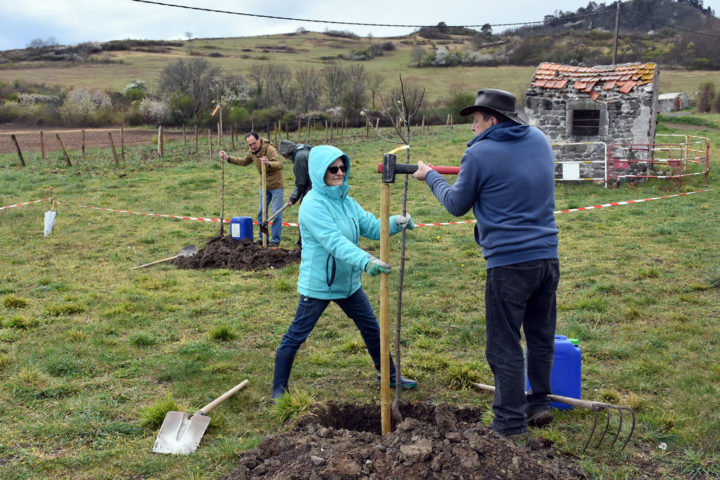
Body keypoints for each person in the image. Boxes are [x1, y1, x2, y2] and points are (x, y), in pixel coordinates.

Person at [412, 89, 560, 442]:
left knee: (503, 344)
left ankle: (509, 423)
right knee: (540, 335)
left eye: (476, 121)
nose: (472, 128)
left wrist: (430, 175)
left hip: (509, 262)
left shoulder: (478, 154)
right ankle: (539, 403)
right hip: (548, 256)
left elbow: (456, 204)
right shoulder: (539, 139)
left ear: (492, 120)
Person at [272, 145, 418, 401]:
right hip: (319, 284)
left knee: (372, 329)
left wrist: (397, 221)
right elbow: (334, 242)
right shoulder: (312, 205)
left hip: (348, 283)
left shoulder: (346, 201)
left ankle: (390, 375)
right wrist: (367, 260)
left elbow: (372, 226)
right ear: (319, 171)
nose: (339, 173)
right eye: (333, 169)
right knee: (296, 336)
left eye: (342, 167)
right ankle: (278, 390)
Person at [219, 132, 284, 246]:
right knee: (261, 213)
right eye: (250, 145)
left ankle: (275, 240)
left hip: (276, 186)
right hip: (264, 186)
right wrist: (228, 158)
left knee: (276, 214)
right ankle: (263, 237)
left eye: (254, 143)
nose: (253, 146)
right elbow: (244, 162)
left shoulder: (269, 149)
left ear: (259, 140)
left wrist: (268, 163)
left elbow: (279, 164)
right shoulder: (252, 152)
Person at [277, 139, 312, 250]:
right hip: (315, 187)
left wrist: (293, 198)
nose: (285, 158)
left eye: (285, 156)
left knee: (305, 216)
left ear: (289, 153)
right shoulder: (305, 150)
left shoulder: (299, 157)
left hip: (312, 189)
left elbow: (301, 182)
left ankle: (303, 247)